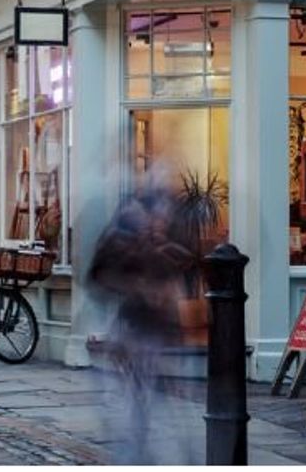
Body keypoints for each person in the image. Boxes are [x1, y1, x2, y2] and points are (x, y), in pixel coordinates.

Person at [86, 177, 188, 465]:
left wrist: (174, 330)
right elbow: (99, 277)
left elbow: (171, 289)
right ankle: (134, 456)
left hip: (154, 333)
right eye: (159, 216)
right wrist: (138, 287)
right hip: (131, 330)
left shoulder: (164, 245)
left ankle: (148, 455)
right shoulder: (124, 239)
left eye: (164, 217)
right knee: (131, 407)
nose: (161, 222)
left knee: (154, 408)